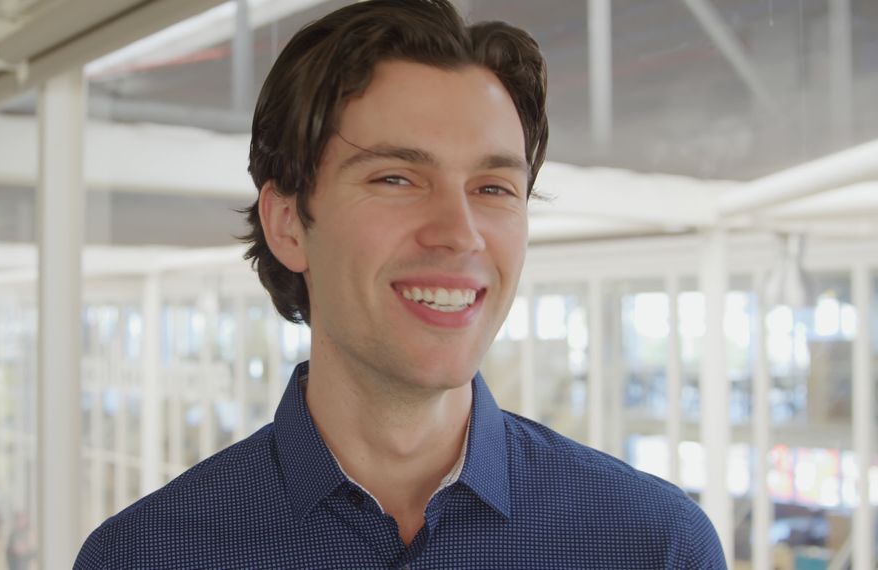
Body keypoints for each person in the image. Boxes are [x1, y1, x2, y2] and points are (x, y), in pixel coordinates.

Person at [75, 1, 728, 568]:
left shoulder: (654, 548)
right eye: (397, 179)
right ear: (287, 224)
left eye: (493, 188)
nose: (459, 232)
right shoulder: (144, 556)